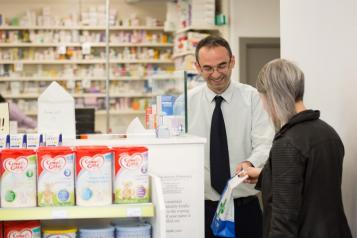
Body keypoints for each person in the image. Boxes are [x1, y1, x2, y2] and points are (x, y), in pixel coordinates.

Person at [240, 59, 352, 238]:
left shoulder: (287, 143)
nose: (264, 107)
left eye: (263, 99)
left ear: (273, 96)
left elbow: (284, 219)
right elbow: (311, 183)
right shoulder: (328, 133)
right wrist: (265, 174)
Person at [187, 35, 274, 238]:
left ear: (232, 61)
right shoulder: (185, 103)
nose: (216, 74)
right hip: (202, 210)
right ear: (198, 67)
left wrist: (250, 162)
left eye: (222, 65)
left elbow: (265, 142)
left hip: (244, 208)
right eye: (208, 68)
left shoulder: (253, 98)